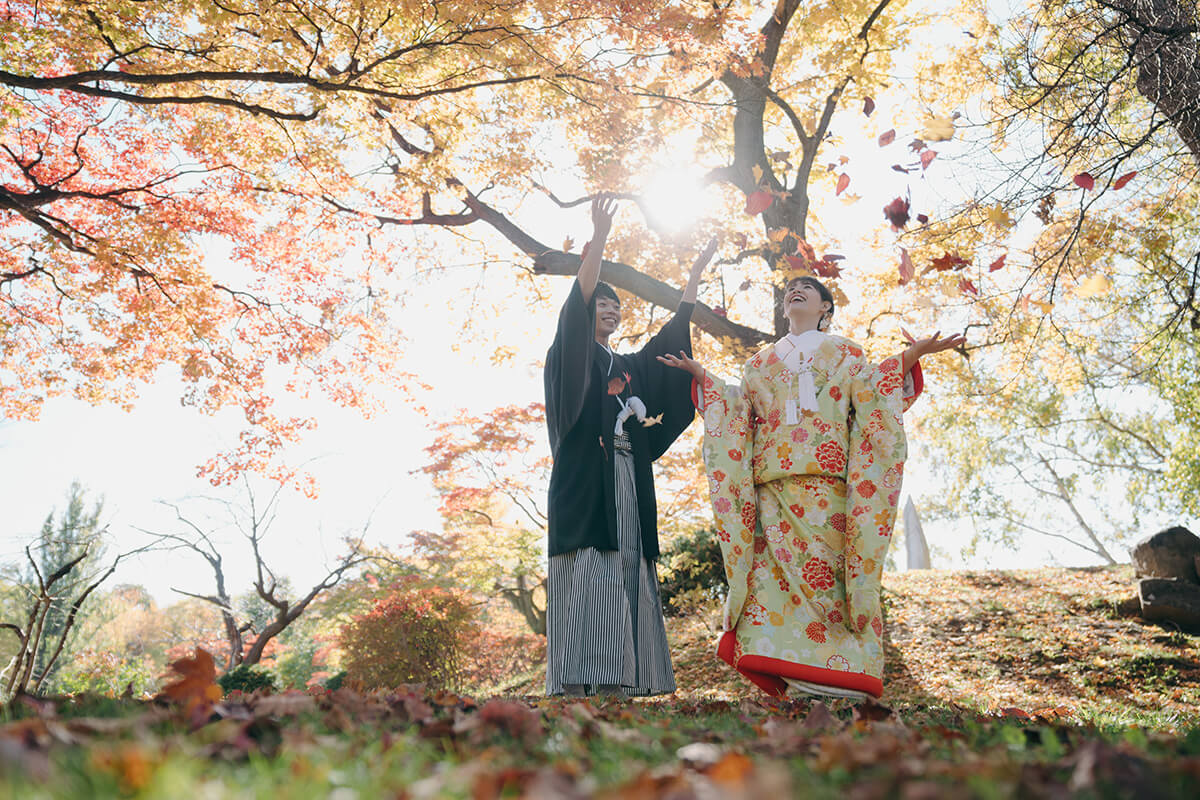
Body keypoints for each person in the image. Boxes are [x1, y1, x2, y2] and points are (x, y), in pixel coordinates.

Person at [658, 275, 964, 700]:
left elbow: (875, 392)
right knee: (772, 583)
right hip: (773, 494)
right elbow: (739, 412)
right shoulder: (759, 365)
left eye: (808, 289)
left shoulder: (846, 353)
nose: (795, 292)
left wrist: (914, 352)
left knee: (831, 585)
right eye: (790, 290)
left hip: (829, 490)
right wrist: (703, 376)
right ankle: (792, 678)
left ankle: (841, 679)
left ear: (825, 308)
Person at [543, 193, 717, 697]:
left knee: (627, 564)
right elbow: (578, 300)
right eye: (602, 303)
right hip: (583, 481)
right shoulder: (570, 353)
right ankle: (581, 680)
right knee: (588, 567)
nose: (610, 311)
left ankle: (628, 678)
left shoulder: (626, 367)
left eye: (617, 307)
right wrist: (597, 242)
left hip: (627, 478)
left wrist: (693, 278)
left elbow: (670, 337)